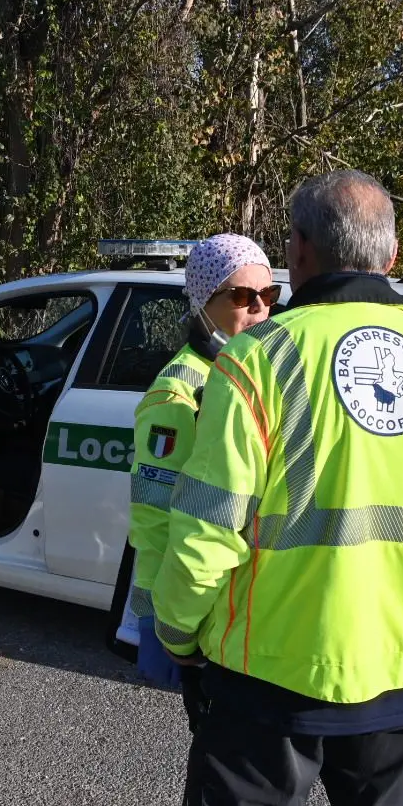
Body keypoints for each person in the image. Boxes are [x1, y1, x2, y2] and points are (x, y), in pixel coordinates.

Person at [152, 170, 403, 806]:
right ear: (393, 256)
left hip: (269, 680)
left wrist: (175, 632)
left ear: (300, 251)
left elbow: (206, 530)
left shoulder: (258, 361)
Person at [129, 234, 278, 724]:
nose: (260, 309)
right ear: (203, 303)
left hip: (249, 616)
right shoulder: (178, 392)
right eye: (242, 296)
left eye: (270, 294)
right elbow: (153, 517)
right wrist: (157, 620)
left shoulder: (261, 372)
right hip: (204, 615)